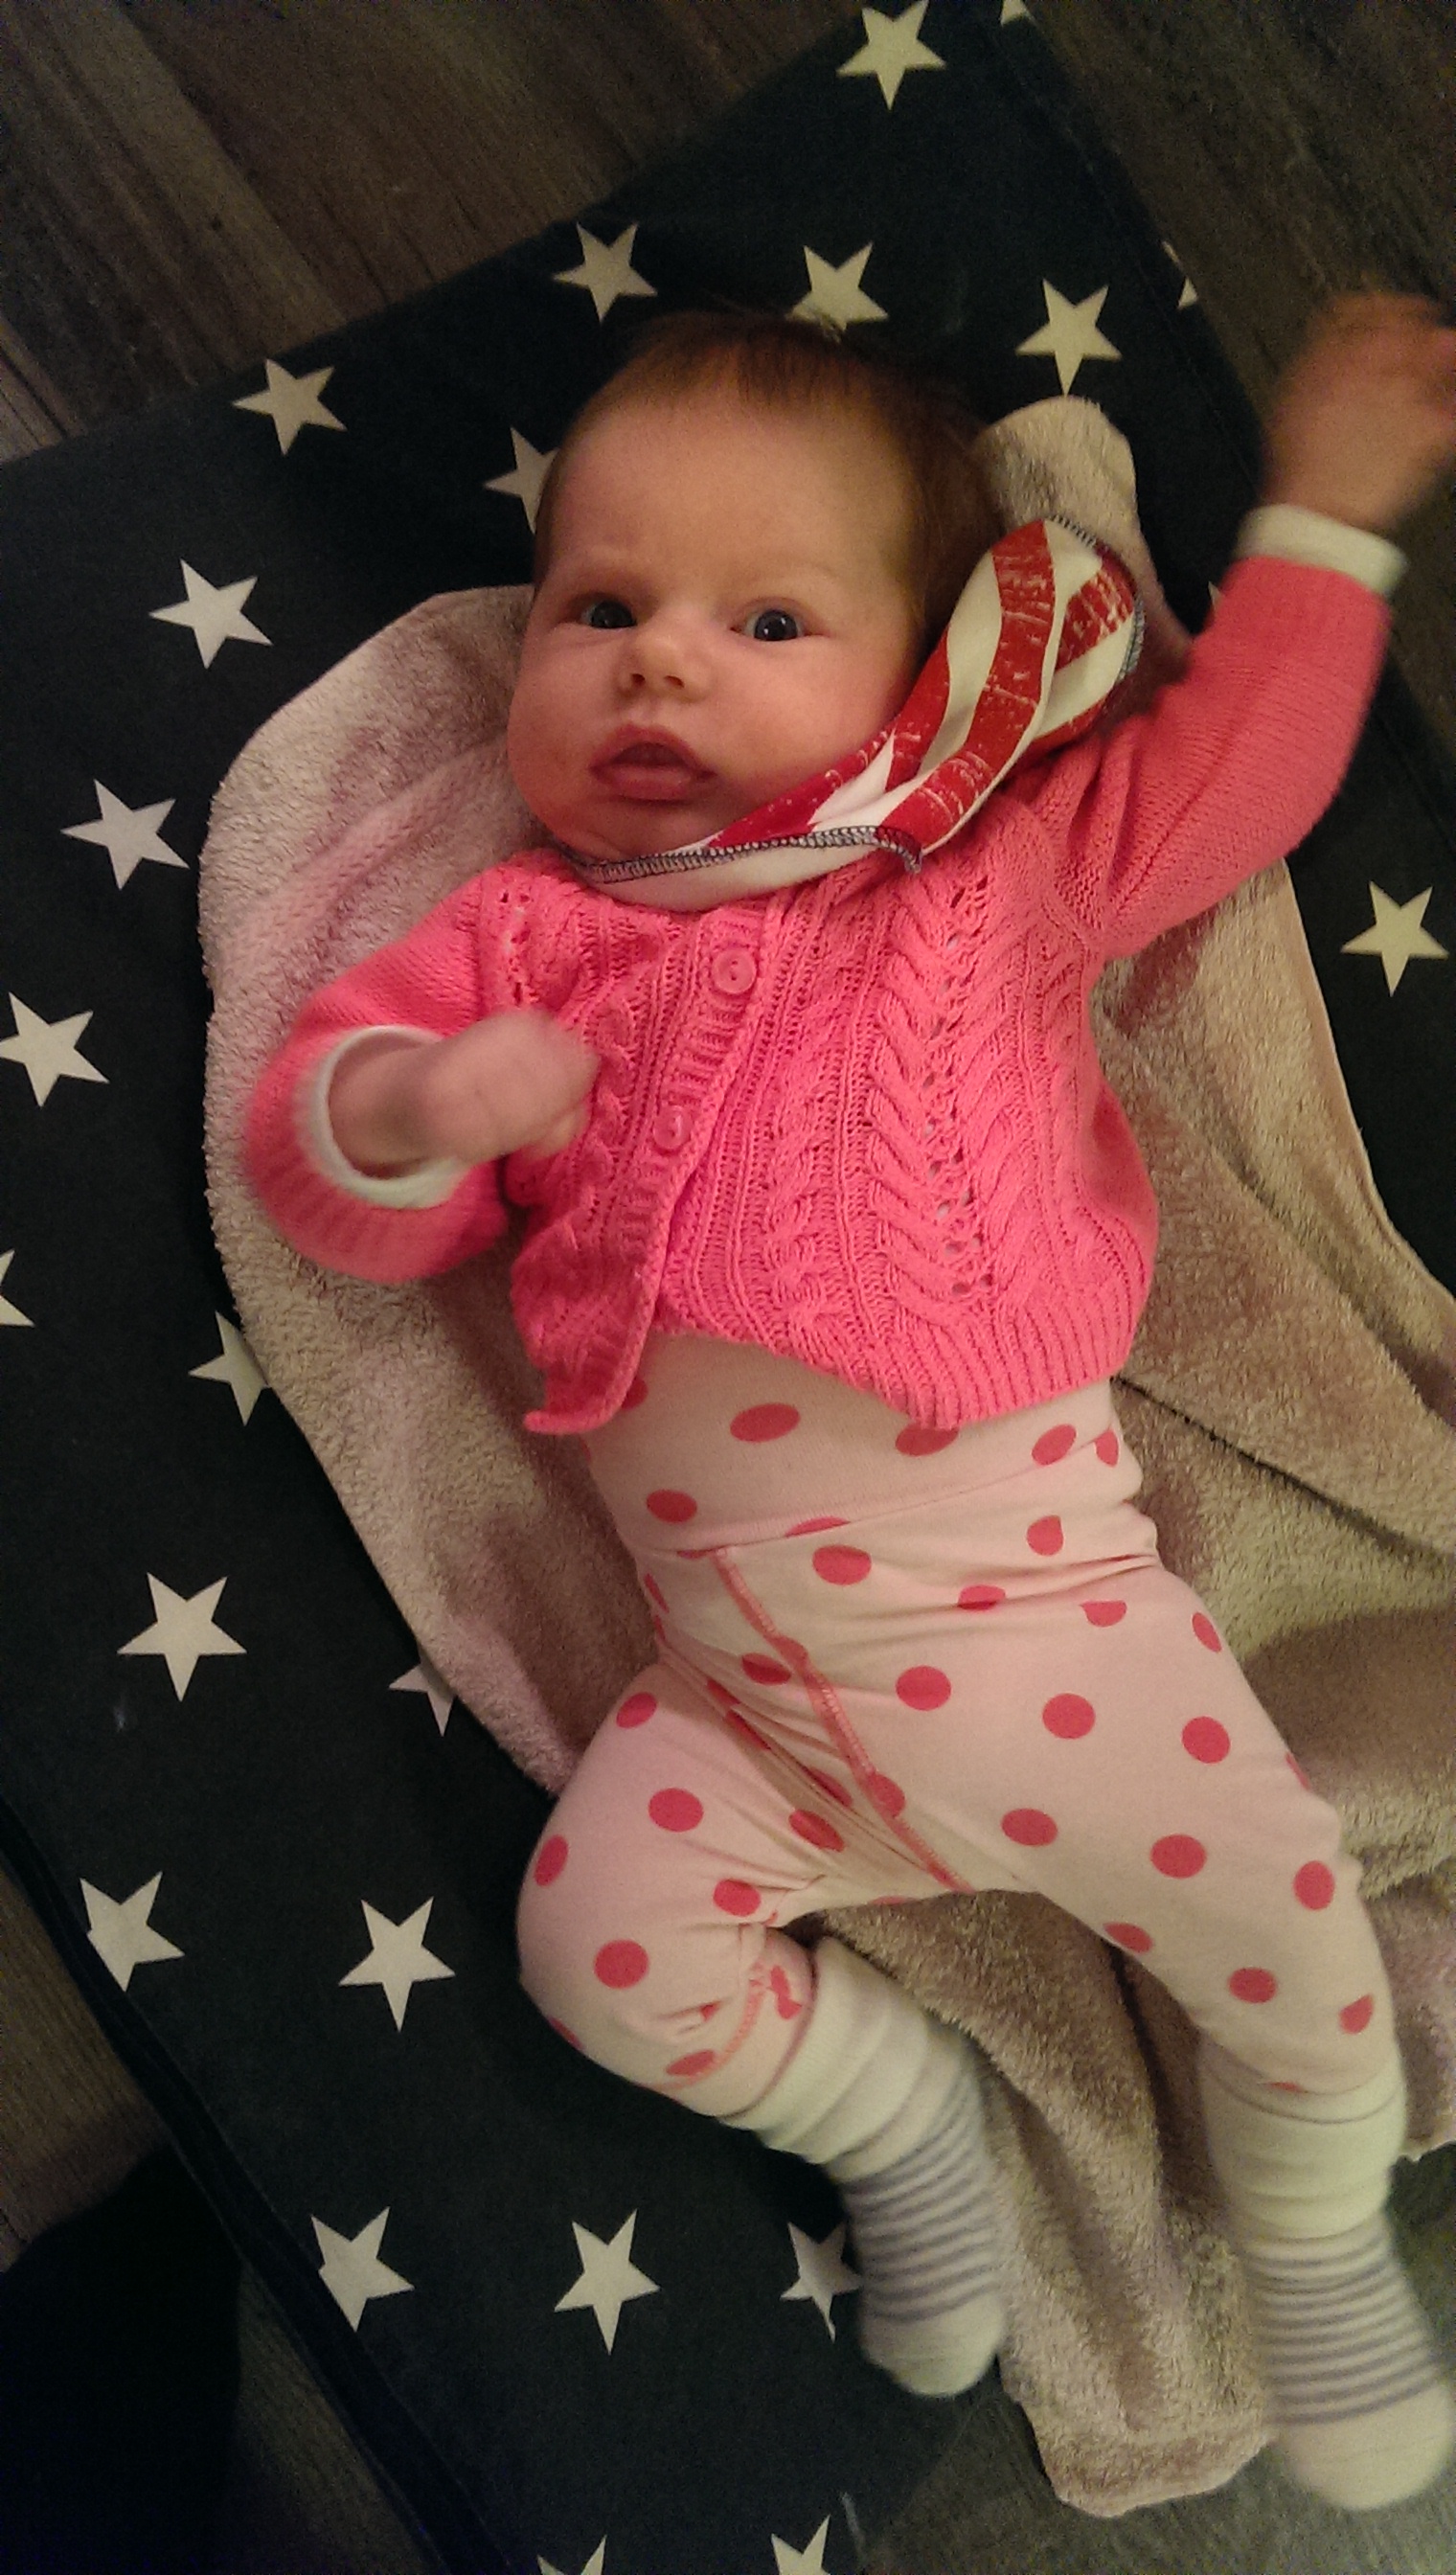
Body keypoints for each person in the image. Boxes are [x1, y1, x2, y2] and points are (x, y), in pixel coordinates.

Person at [245, 293, 1456, 2510]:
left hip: (1046, 1638)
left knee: (1295, 1958)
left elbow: (1234, 776)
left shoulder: (980, 890)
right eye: (597, 608)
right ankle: (900, 2129)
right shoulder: (519, 945)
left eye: (765, 618)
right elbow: (316, 1165)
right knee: (598, 1954)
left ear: (919, 684)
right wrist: (411, 1107)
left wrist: (1324, 523)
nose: (658, 664)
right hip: (735, 1708)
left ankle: (1317, 2254)